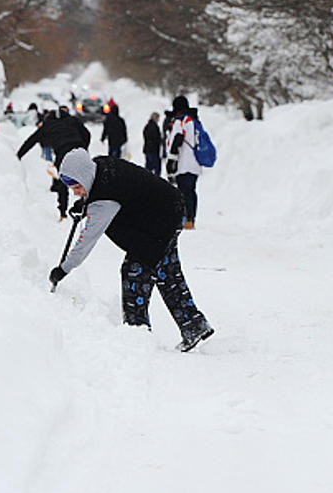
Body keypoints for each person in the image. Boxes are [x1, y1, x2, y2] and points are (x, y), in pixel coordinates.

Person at [49, 148, 214, 352]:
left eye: (76, 186)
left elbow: (86, 241)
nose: (74, 191)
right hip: (171, 206)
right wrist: (83, 204)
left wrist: (64, 269)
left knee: (134, 273)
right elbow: (109, 190)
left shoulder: (104, 201)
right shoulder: (100, 166)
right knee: (165, 271)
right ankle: (194, 325)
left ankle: (137, 336)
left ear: (85, 175)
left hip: (161, 220)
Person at [16, 108, 91, 220]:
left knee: (62, 182)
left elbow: (32, 140)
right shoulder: (73, 120)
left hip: (63, 152)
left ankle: (63, 213)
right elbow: (87, 134)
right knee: (86, 178)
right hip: (80, 149)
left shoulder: (48, 124)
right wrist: (84, 147)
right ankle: (88, 205)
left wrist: (18, 155)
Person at [165, 95, 201, 229]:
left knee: (183, 192)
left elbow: (178, 139)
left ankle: (186, 219)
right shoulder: (194, 120)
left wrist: (172, 160)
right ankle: (191, 219)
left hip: (184, 162)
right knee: (191, 191)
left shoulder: (182, 121)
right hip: (195, 163)